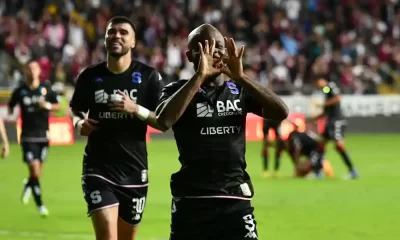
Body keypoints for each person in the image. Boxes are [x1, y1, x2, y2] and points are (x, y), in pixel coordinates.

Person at [156, 24, 288, 240]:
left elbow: (281, 112)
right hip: (192, 201)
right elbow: (163, 121)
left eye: (218, 46)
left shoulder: (240, 91)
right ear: (190, 56)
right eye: (204, 47)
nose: (214, 52)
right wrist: (199, 76)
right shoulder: (176, 91)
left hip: (235, 198)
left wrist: (241, 77)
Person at [69, 16, 165, 240]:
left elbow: (162, 121)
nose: (117, 36)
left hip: (134, 171)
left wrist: (136, 109)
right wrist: (78, 122)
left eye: (123, 32)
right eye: (112, 32)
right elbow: (74, 109)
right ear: (104, 39)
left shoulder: (149, 77)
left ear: (133, 42)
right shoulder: (89, 76)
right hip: (98, 169)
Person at [8, 60, 61, 217]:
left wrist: (48, 106)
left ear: (39, 71)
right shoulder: (20, 91)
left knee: (36, 174)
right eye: (29, 69)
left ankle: (28, 184)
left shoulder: (46, 88)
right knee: (34, 171)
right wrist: (12, 115)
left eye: (34, 68)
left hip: (44, 135)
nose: (31, 71)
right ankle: (40, 206)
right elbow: (11, 105)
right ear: (26, 71)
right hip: (27, 136)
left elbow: (59, 105)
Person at [314, 77, 358, 179]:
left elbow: (338, 98)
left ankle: (352, 171)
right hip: (330, 122)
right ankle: (318, 172)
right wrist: (312, 119)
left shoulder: (330, 86)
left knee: (339, 146)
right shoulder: (326, 91)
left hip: (336, 121)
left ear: (322, 80)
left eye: (317, 82)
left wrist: (322, 104)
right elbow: (326, 111)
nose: (317, 85)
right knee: (321, 144)